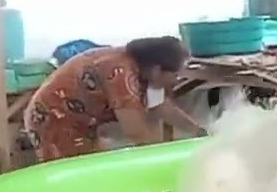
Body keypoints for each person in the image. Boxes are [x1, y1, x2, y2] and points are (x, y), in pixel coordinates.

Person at [23, 36, 207, 162]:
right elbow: (137, 133)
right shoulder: (120, 74)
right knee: (77, 179)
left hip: (82, 122)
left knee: (95, 167)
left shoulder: (146, 71)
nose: (177, 80)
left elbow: (160, 106)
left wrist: (200, 133)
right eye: (176, 74)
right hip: (53, 119)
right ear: (157, 70)